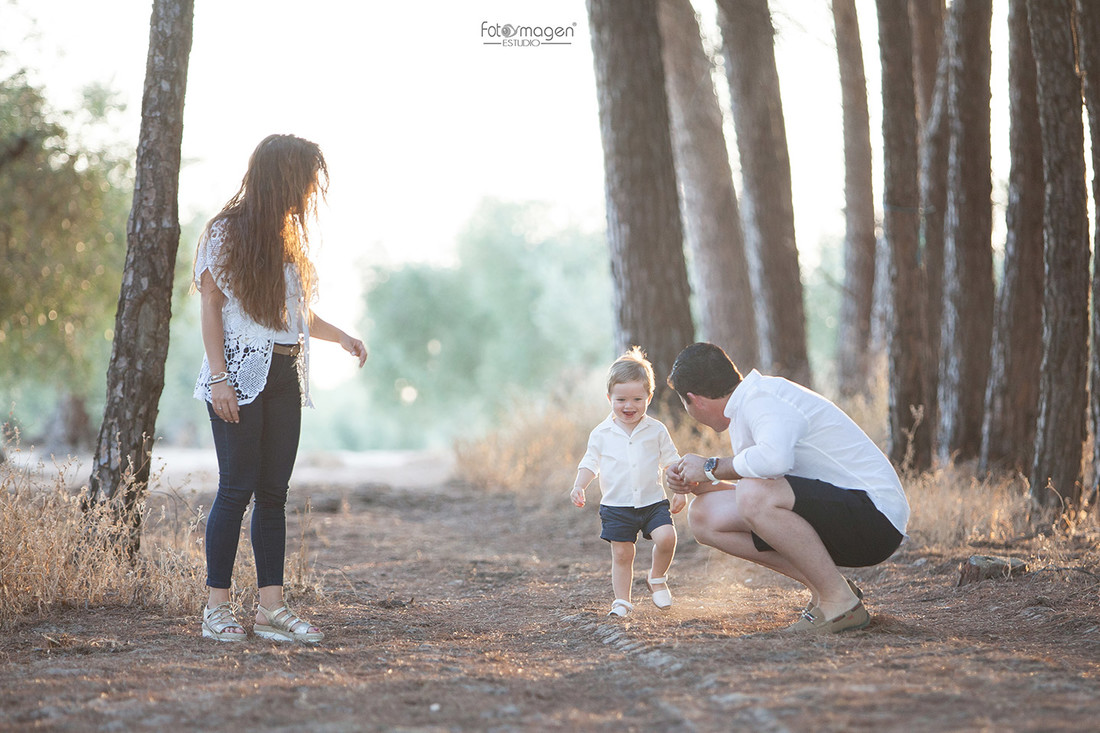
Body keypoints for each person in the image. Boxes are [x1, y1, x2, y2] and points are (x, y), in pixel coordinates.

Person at [192, 134, 368, 643]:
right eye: (308, 180)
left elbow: (296, 314)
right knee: (236, 488)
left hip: (286, 373)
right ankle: (216, 609)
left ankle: (270, 610)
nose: (312, 191)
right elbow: (211, 306)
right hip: (240, 375)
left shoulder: (287, 237)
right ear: (282, 177)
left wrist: (342, 338)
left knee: (272, 494)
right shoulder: (224, 233)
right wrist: (221, 377)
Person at [664, 342, 909, 634]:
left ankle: (840, 603)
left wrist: (709, 467)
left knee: (753, 494)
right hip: (841, 511)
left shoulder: (763, 399)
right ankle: (831, 589)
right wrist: (699, 484)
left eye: (684, 403)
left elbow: (773, 462)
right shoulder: (745, 406)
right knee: (703, 515)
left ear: (694, 400)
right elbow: (769, 487)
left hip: (876, 519)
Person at [571, 347, 686, 617]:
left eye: (637, 399)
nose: (628, 406)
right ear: (609, 397)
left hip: (653, 502)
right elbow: (590, 463)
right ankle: (622, 601)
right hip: (617, 506)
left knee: (667, 537)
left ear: (649, 396)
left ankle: (657, 578)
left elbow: (671, 461)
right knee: (623, 555)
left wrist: (680, 491)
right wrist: (579, 485)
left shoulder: (656, 430)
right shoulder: (601, 433)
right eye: (621, 399)